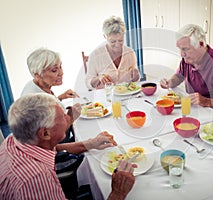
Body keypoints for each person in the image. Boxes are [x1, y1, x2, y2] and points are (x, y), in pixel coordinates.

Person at [0, 93, 135, 199]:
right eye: (63, 116)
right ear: (46, 133)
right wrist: (118, 193)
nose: (68, 117)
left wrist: (89, 144)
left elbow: (51, 148)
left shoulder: (16, 138)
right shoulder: (35, 179)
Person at [22, 48, 116, 154]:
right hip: (54, 153)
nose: (61, 73)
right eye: (54, 70)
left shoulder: (33, 85)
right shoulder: (38, 101)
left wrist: (59, 98)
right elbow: (51, 142)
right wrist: (71, 118)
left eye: (60, 67)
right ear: (37, 75)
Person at [160, 24, 213, 109]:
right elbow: (179, 76)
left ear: (201, 44)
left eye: (185, 49)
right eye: (180, 49)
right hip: (193, 108)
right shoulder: (188, 59)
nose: (181, 54)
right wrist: (170, 82)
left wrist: (206, 101)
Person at [86, 16, 140, 89]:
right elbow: (89, 83)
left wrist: (136, 76)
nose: (117, 45)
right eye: (113, 41)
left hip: (127, 95)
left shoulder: (130, 53)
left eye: (120, 40)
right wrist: (99, 78)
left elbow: (135, 81)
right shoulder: (96, 55)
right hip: (106, 97)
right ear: (105, 37)